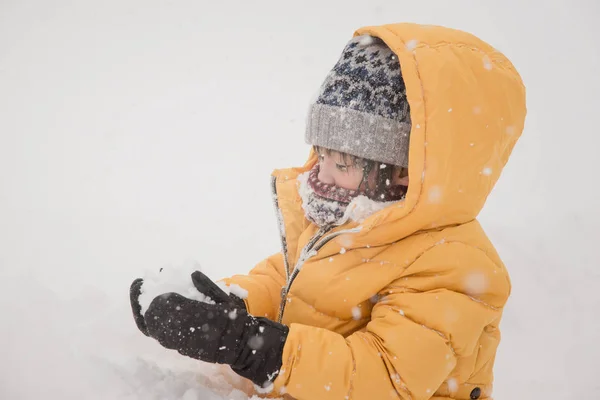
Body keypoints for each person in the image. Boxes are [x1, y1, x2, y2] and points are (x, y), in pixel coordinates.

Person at [130, 22, 526, 400]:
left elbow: (381, 377)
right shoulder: (347, 219)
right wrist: (226, 307)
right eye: (320, 155)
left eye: (342, 164)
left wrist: (252, 345)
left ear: (406, 172)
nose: (320, 174)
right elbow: (289, 282)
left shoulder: (454, 269)